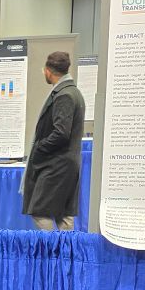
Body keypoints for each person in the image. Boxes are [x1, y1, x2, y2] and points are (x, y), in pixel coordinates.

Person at [23, 51, 85, 231]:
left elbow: (61, 133)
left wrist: (39, 147)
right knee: (63, 214)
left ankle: (53, 251)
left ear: (48, 71)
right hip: (66, 164)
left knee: (39, 210)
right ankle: (66, 254)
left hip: (56, 165)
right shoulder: (74, 92)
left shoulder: (64, 95)